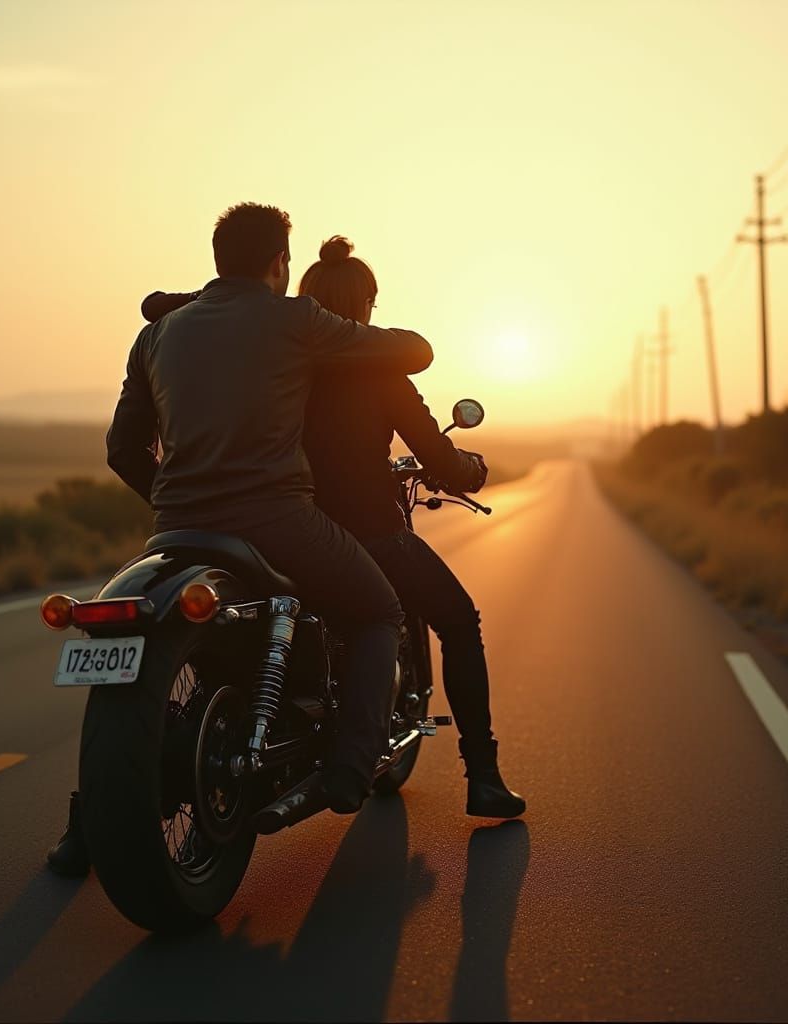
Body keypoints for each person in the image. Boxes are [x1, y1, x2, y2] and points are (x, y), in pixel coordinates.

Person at [46, 205, 433, 876]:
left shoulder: (159, 334)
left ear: (218, 257)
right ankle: (349, 769)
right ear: (279, 264)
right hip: (276, 520)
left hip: (176, 532)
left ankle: (91, 821)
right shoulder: (294, 320)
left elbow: (121, 448)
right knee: (378, 612)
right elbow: (417, 352)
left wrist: (177, 499)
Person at [136, 236, 524, 817]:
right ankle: (484, 776)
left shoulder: (282, 358)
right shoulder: (379, 370)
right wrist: (468, 470)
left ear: (303, 295)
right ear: (367, 304)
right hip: (365, 530)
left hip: (267, 535)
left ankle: (91, 813)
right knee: (458, 620)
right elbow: (439, 459)